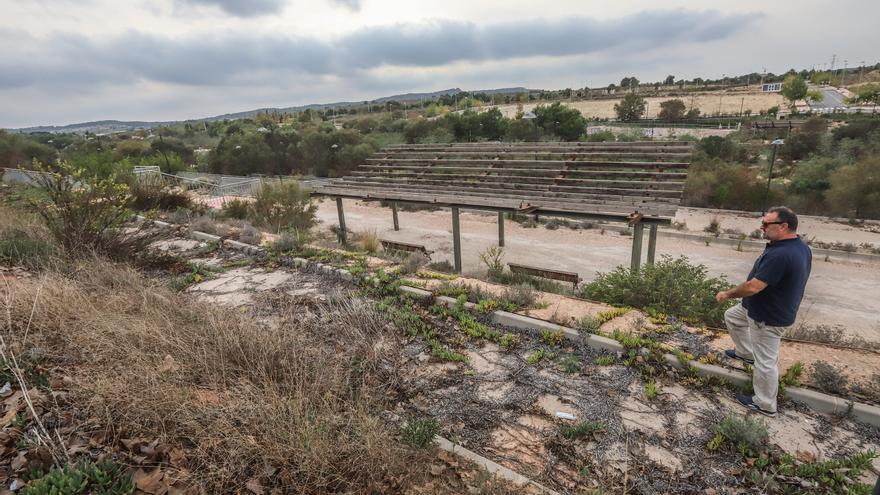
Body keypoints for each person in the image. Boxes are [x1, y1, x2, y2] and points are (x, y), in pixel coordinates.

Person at [715, 206, 812, 417]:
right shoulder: (798, 247)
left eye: (767, 224)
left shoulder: (782, 254)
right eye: (763, 223)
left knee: (766, 363)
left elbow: (753, 287)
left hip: (768, 316)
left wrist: (727, 294)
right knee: (732, 317)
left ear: (784, 226)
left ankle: (765, 403)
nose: (762, 228)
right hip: (756, 306)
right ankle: (745, 353)